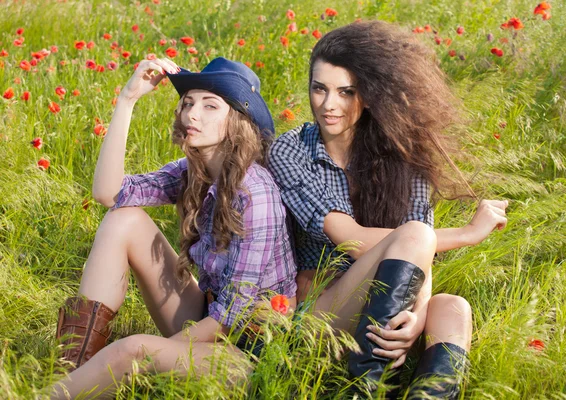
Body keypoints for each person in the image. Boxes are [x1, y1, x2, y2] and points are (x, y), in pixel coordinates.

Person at [267, 21, 508, 398]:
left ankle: (427, 395)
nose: (329, 104)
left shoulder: (404, 155)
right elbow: (352, 240)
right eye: (320, 88)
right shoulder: (290, 150)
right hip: (324, 311)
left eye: (346, 92)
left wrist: (417, 314)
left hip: (388, 302)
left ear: (370, 94)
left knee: (453, 308)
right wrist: (466, 234)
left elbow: (420, 254)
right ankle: (362, 387)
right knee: (415, 233)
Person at [50, 57, 297, 399]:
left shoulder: (256, 194)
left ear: (238, 121)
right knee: (123, 219)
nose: (193, 114)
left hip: (248, 353)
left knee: (133, 350)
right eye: (189, 103)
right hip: (208, 316)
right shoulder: (191, 170)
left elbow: (232, 314)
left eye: (211, 106)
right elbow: (110, 194)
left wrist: (153, 354)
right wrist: (127, 101)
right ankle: (74, 374)